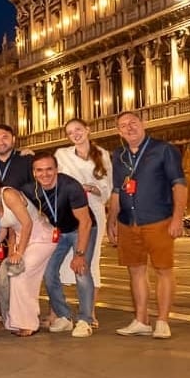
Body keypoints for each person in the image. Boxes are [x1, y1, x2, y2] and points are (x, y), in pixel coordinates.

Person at [107, 111, 186, 339]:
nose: (129, 128)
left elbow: (179, 184)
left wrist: (178, 218)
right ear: (118, 131)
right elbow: (117, 190)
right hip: (128, 222)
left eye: (133, 123)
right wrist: (112, 219)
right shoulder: (118, 155)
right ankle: (141, 319)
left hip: (158, 219)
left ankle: (162, 320)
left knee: (163, 270)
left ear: (143, 124)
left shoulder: (163, 150)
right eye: (123, 125)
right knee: (136, 272)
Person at [0, 168, 54, 336]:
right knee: (12, 274)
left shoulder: (8, 194)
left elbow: (27, 224)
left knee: (21, 273)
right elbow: (5, 228)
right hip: (23, 240)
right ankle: (15, 322)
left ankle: (29, 323)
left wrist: (19, 252)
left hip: (41, 238)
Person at [29, 151, 96, 338]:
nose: (45, 174)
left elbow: (86, 222)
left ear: (57, 169)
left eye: (49, 169)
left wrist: (80, 254)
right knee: (48, 272)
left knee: (81, 271)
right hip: (58, 232)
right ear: (34, 172)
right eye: (39, 170)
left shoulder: (70, 186)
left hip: (80, 228)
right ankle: (64, 316)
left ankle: (85, 320)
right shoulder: (30, 189)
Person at [54, 118, 110, 289]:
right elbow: (55, 179)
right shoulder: (61, 154)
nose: (75, 135)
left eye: (78, 129)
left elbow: (108, 186)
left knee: (90, 259)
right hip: (70, 211)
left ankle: (90, 313)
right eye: (70, 133)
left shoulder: (102, 154)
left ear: (87, 129)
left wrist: (94, 188)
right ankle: (57, 313)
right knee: (61, 260)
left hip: (94, 208)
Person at [0, 124, 33, 191]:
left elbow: (36, 188)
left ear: (13, 139)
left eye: (5, 138)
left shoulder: (26, 160)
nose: (1, 142)